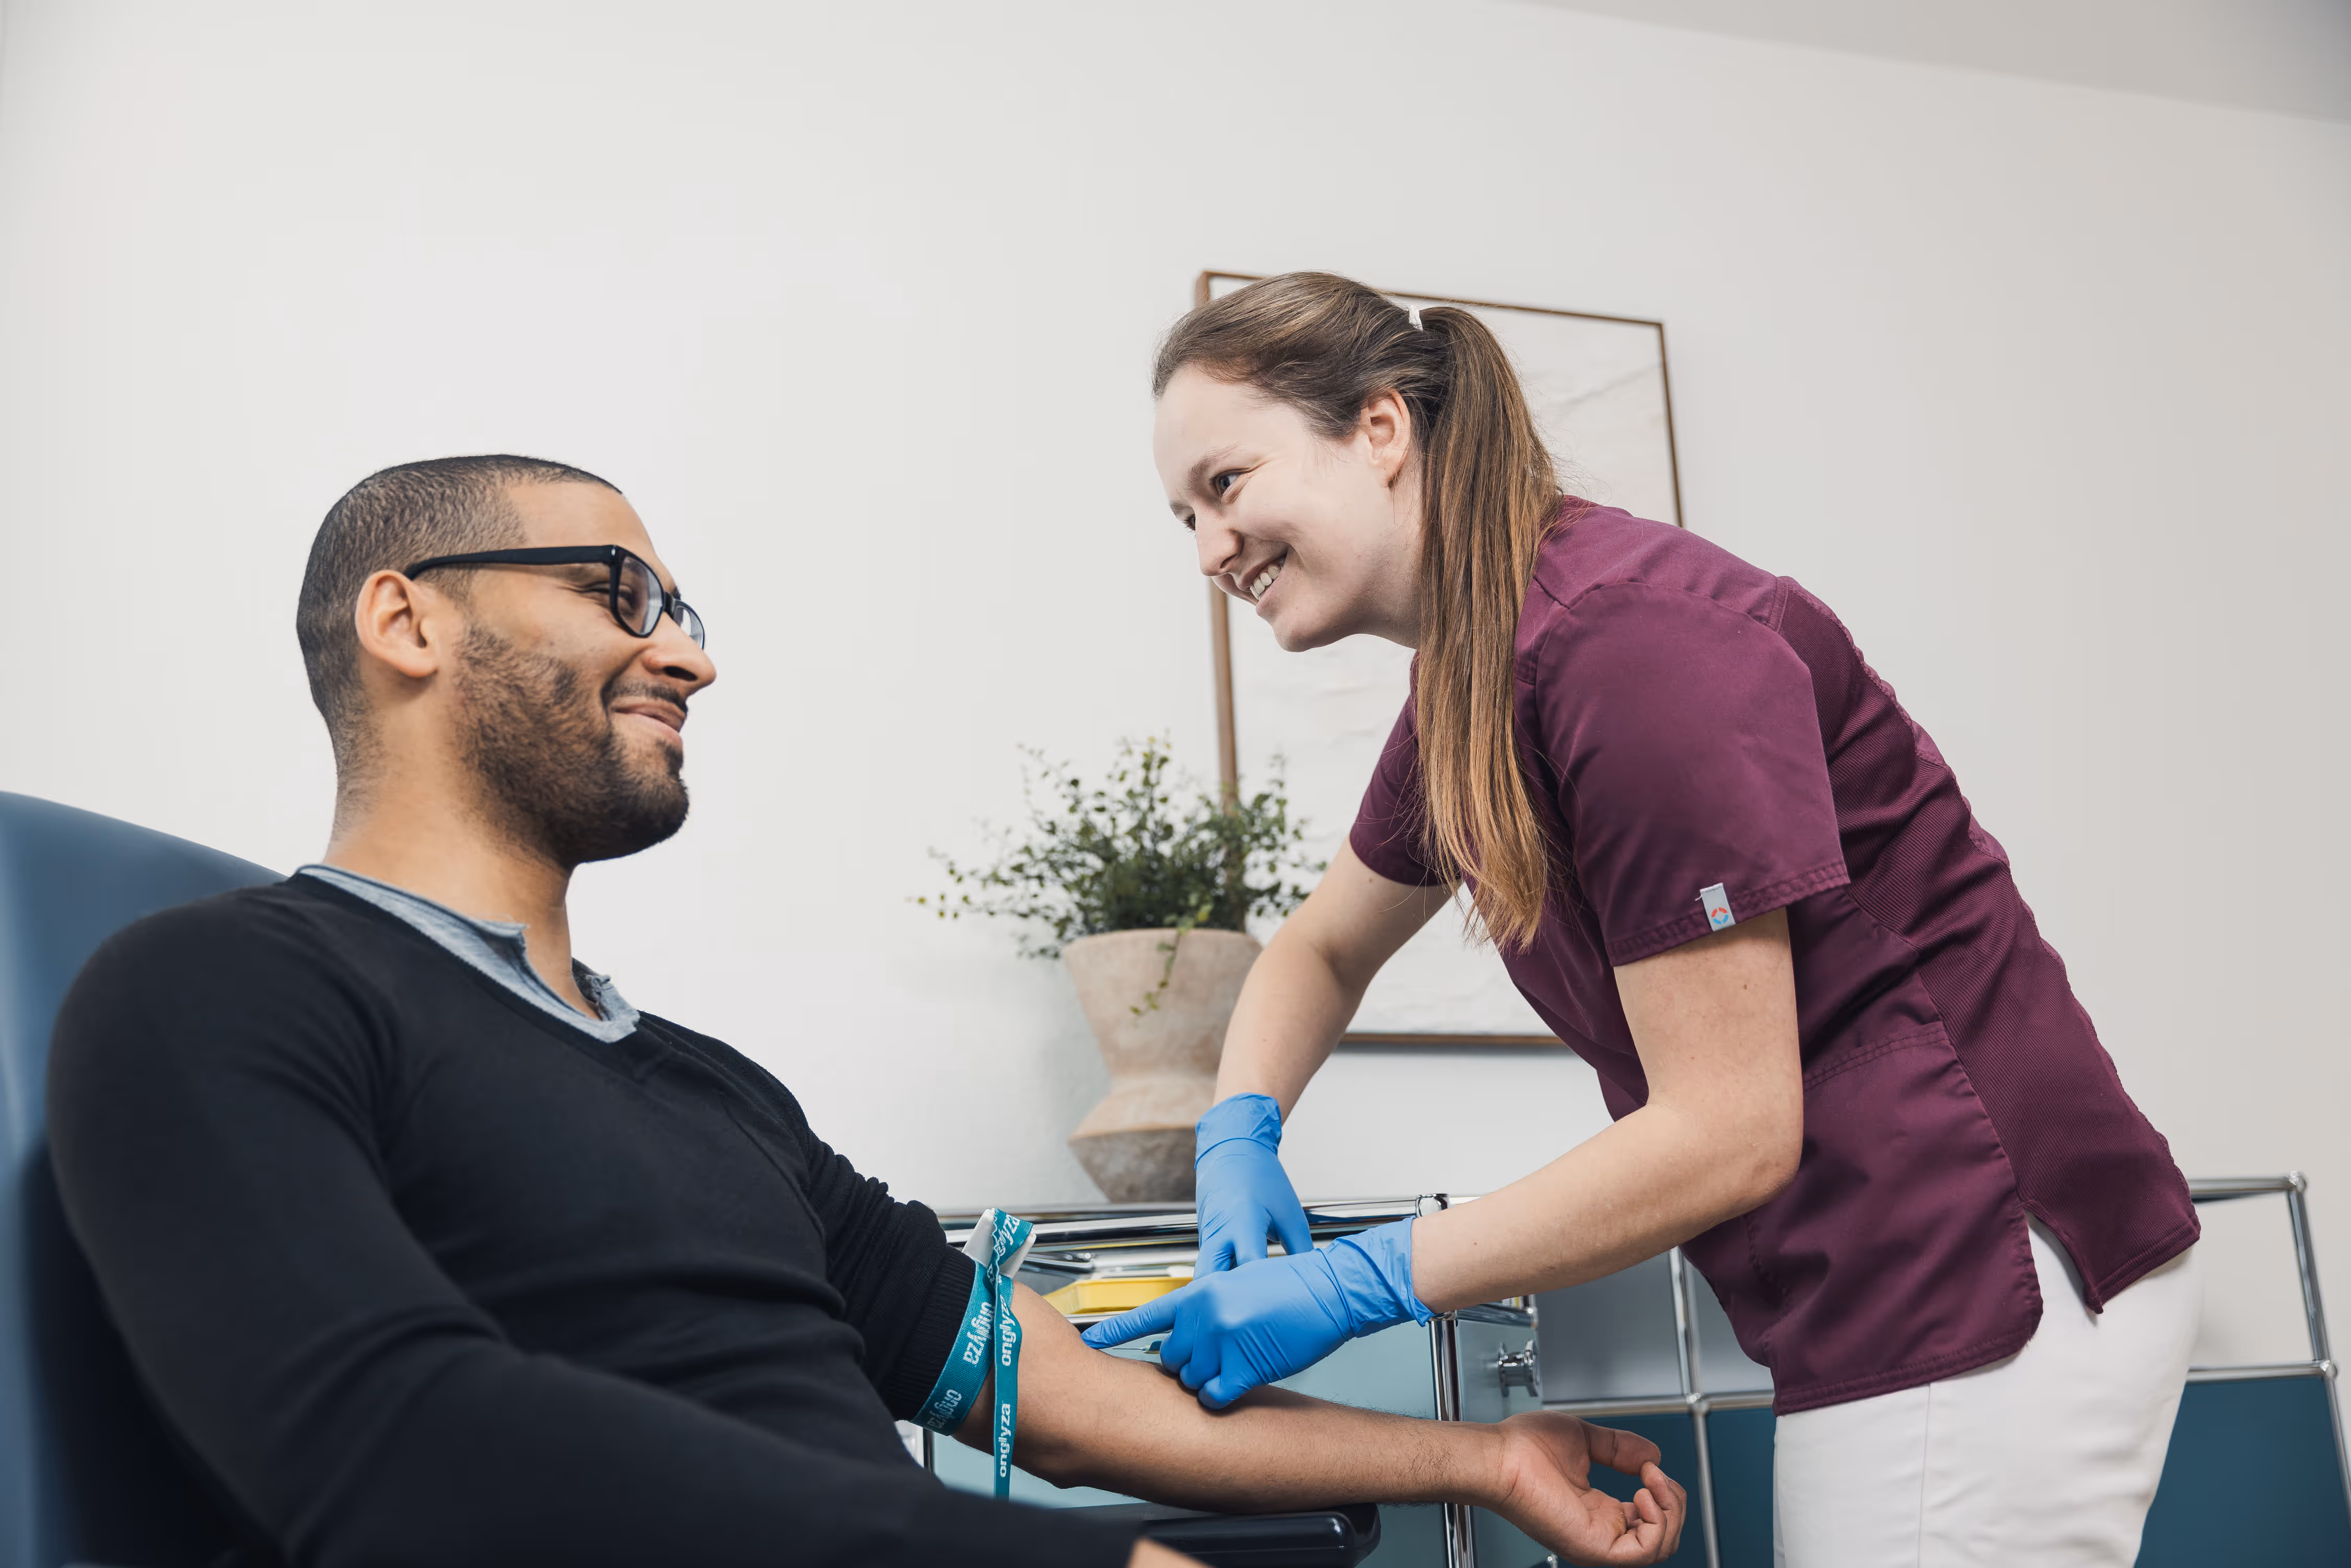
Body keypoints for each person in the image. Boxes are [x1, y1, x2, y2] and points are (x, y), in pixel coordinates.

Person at [46, 455, 1690, 1568]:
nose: (683, 659)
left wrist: (1478, 1460)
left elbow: (1061, 1399)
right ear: (405, 617)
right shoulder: (218, 990)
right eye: (623, 592)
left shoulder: (710, 1094)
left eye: (681, 616)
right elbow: (390, 1443)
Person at [1086, 274, 2204, 1566]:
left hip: (1986, 1269)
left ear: (1381, 429)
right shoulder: (1471, 681)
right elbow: (1322, 946)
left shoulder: (1631, 645)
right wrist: (1240, 1135)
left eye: (1226, 485)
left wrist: (1361, 1281)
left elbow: (1726, 1134)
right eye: (1184, 517)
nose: (1210, 551)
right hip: (1889, 1285)